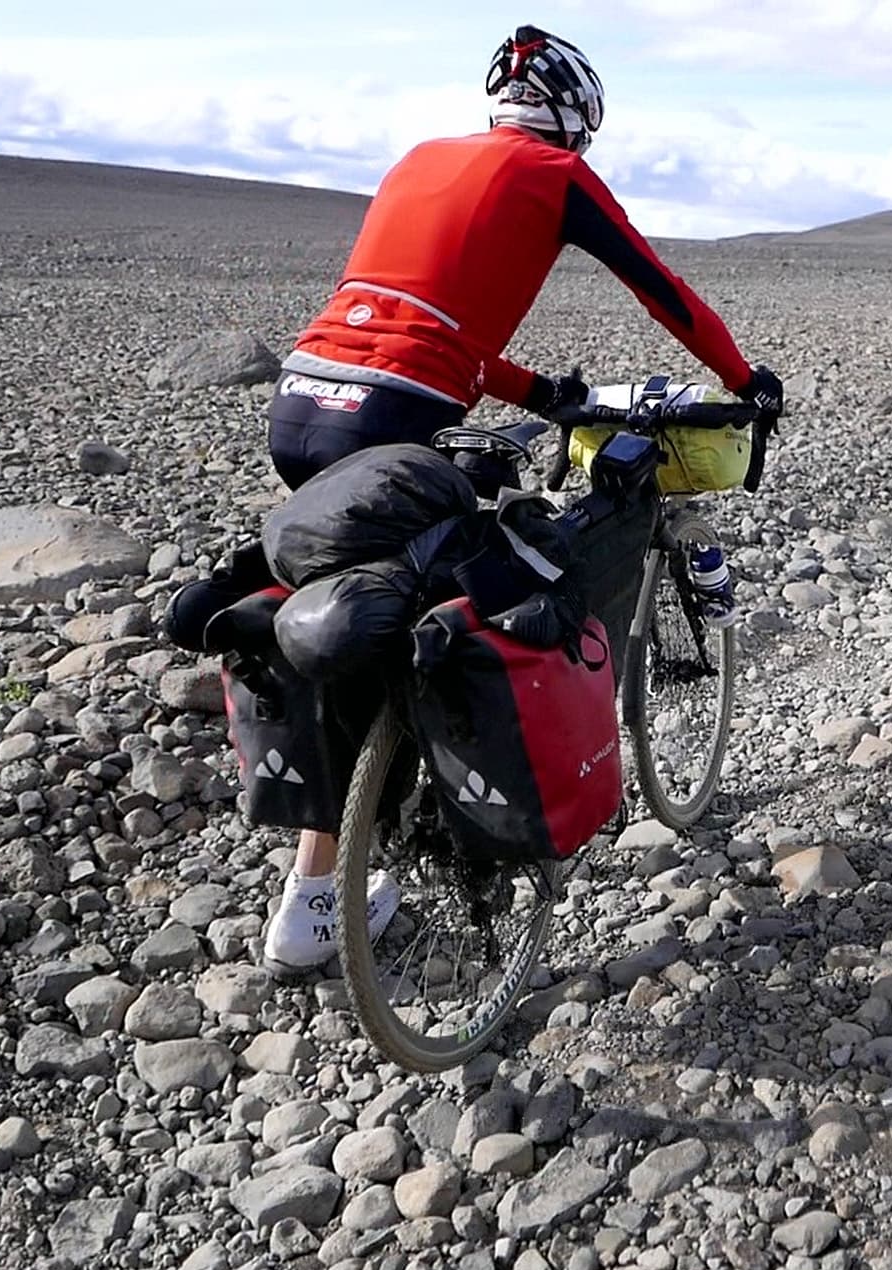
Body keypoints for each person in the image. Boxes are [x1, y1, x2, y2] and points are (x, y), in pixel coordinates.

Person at [260, 23, 784, 970]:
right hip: (387, 418)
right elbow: (661, 290)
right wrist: (743, 379)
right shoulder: (554, 175)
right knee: (491, 601)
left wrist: (541, 393)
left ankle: (323, 873)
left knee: (356, 618)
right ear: (578, 118)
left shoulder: (422, 157)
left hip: (301, 405)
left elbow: (416, 320)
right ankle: (393, 857)